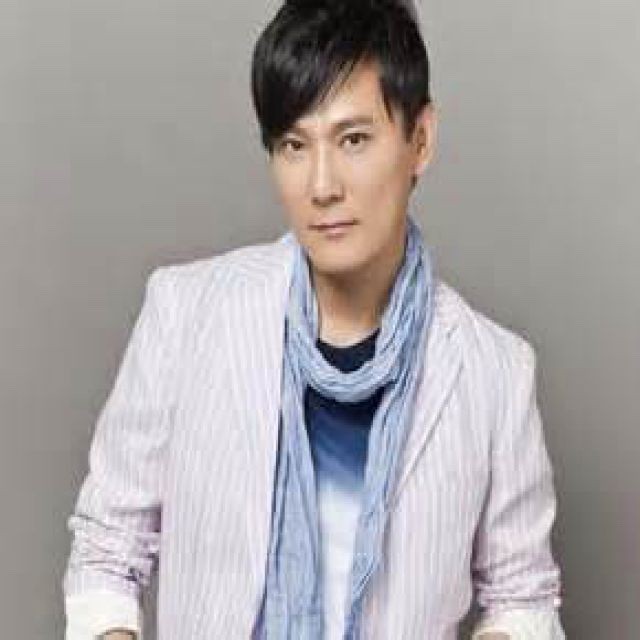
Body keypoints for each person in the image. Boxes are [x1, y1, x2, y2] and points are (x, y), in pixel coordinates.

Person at [62, 1, 566, 638]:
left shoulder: (495, 372)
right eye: (295, 145)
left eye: (353, 140)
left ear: (421, 140)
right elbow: (108, 548)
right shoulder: (185, 313)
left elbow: (522, 596)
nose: (322, 186)